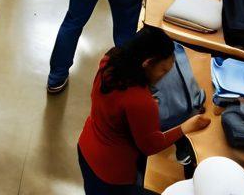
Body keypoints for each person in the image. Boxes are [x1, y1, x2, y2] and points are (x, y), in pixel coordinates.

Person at [77, 26, 210, 194]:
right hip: (112, 173)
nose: (163, 75)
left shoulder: (110, 60)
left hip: (86, 147)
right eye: (163, 70)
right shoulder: (141, 101)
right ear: (147, 63)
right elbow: (150, 146)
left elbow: (117, 102)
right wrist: (185, 127)